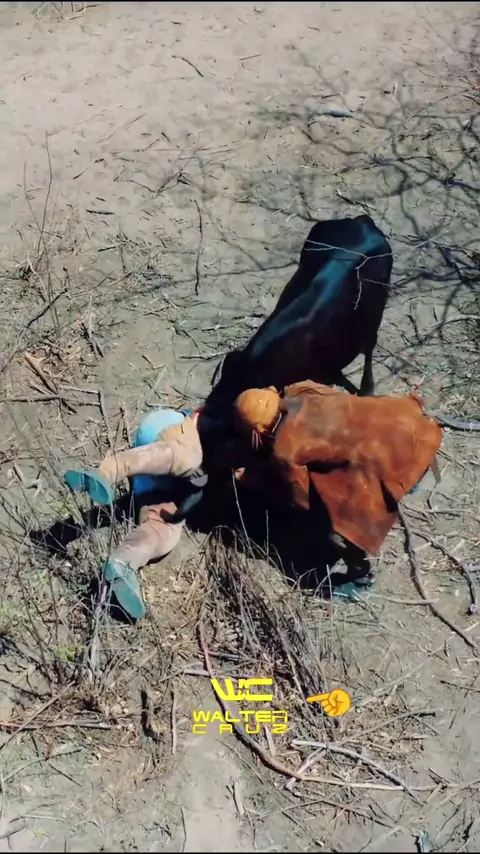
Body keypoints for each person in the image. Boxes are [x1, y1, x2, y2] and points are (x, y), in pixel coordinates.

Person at [64, 406, 207, 619]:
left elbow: (199, 487)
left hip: (162, 481)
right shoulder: (230, 421)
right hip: (169, 431)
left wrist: (181, 511)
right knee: (188, 458)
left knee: (166, 530)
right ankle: (103, 473)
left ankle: (123, 563)